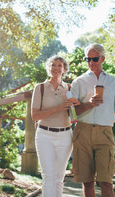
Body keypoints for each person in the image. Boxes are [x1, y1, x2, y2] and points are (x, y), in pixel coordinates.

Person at [71, 43, 115, 197]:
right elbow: (72, 112)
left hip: (105, 133)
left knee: (106, 181)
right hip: (82, 132)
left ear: (102, 58)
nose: (91, 62)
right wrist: (89, 104)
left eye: (94, 58)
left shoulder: (114, 82)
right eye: (87, 59)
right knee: (87, 181)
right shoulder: (78, 82)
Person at [31, 55, 78, 197]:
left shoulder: (69, 88)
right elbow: (35, 116)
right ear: (49, 68)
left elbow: (75, 115)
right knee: (49, 176)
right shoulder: (40, 88)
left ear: (64, 69)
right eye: (53, 65)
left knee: (59, 178)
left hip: (65, 135)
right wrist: (57, 108)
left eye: (59, 65)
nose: (56, 68)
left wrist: (77, 105)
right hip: (45, 135)